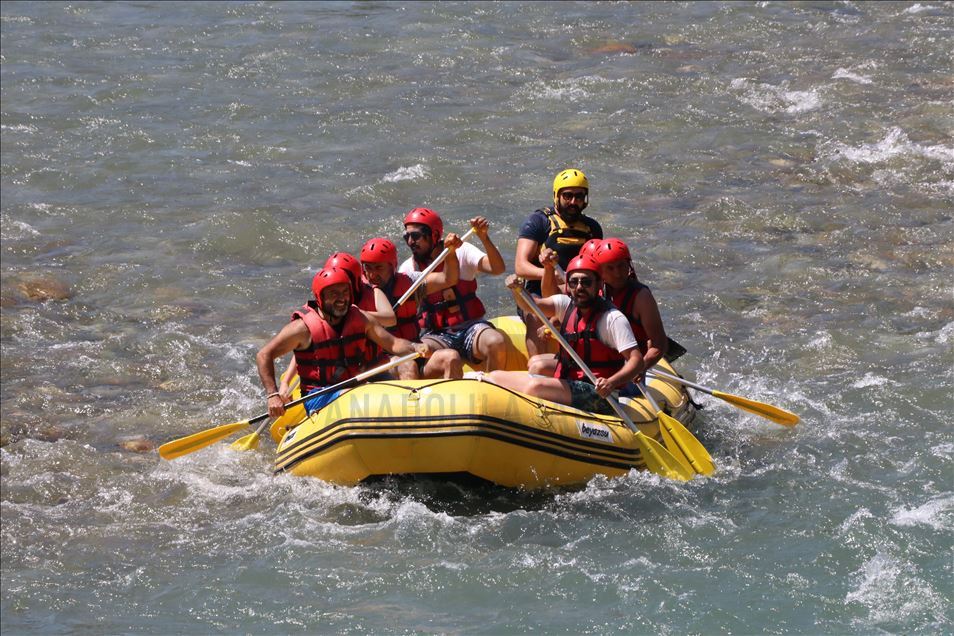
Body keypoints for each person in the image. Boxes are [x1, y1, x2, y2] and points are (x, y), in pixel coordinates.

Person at [483, 255, 645, 416]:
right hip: (571, 380)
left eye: (586, 282)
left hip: (601, 393)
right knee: (495, 377)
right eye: (574, 282)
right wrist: (517, 290)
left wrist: (611, 383)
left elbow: (636, 360)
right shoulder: (565, 304)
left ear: (599, 285)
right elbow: (532, 306)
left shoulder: (612, 319)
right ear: (568, 285)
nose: (579, 287)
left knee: (536, 387)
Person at [257, 267, 429, 417]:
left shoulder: (361, 319)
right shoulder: (302, 329)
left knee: (377, 392)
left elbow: (392, 344)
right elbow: (264, 354)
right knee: (357, 394)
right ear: (320, 297)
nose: (341, 299)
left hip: (356, 387)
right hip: (318, 396)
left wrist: (415, 347)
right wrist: (273, 395)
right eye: (334, 294)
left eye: (345, 292)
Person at [399, 207, 508, 371]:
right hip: (437, 334)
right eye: (407, 236)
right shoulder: (408, 269)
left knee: (496, 342)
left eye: (416, 236)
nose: (410, 242)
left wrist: (484, 237)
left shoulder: (462, 250)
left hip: (471, 327)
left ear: (434, 235)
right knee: (419, 356)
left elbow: (497, 268)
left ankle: (495, 386)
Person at [514, 168, 603, 357]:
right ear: (557, 196)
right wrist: (550, 273)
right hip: (539, 292)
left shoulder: (592, 228)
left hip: (577, 292)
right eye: (567, 196)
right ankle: (537, 371)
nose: (573, 202)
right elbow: (520, 266)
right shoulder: (538, 222)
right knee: (536, 316)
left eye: (579, 196)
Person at [360, 236, 464, 380]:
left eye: (378, 268)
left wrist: (451, 252)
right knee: (408, 365)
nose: (372, 275)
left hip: (414, 349)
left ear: (392, 266)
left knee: (451, 357)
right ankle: (414, 401)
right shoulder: (359, 293)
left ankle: (451, 400)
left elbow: (448, 279)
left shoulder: (410, 283)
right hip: (383, 362)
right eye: (368, 268)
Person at [594, 238, 669, 370]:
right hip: (601, 363)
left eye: (621, 266)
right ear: (600, 271)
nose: (617, 273)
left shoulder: (641, 297)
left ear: (629, 265)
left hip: (631, 363)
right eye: (610, 268)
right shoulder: (593, 290)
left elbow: (659, 344)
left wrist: (638, 368)